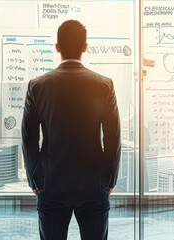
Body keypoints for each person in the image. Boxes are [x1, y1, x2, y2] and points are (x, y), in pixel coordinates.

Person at [21, 19, 121, 240]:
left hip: (51, 183)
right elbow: (113, 137)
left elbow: (29, 138)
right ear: (85, 47)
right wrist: (109, 180)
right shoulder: (104, 85)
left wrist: (35, 180)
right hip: (93, 184)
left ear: (57, 47)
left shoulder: (37, 86)